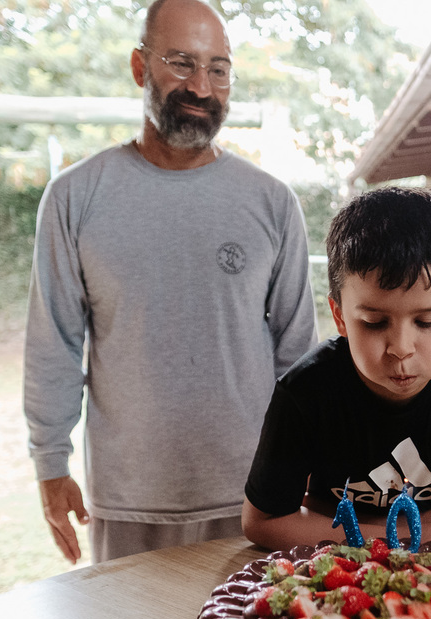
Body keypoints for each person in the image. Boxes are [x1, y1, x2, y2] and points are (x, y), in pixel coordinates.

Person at [24, 0, 317, 564]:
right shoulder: (74, 198)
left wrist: (306, 463)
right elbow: (54, 341)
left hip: (255, 499)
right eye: (181, 63)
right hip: (130, 499)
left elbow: (298, 355)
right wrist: (50, 464)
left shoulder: (271, 203)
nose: (201, 87)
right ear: (140, 67)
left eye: (218, 68)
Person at [242, 187, 431, 551]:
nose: (401, 349)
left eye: (425, 322)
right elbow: (263, 522)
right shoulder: (306, 390)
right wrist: (397, 538)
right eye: (374, 322)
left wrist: (359, 532)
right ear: (340, 316)